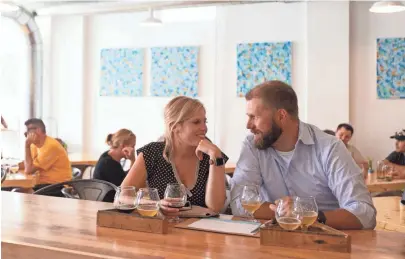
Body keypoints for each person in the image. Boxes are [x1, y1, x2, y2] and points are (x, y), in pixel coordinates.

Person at [230, 80, 376, 230]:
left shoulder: (330, 148)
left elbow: (365, 214)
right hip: (273, 242)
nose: (248, 125)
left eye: (254, 117)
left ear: (281, 116)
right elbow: (239, 203)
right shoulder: (253, 145)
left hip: (327, 243)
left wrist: (311, 215)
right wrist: (284, 212)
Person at [121, 96, 228, 214]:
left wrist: (216, 155)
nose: (204, 128)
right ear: (175, 126)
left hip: (201, 229)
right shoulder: (152, 153)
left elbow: (216, 207)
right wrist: (156, 203)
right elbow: (123, 197)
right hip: (161, 227)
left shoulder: (212, 156)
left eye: (204, 121)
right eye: (196, 122)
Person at [23, 118, 72, 193]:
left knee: (20, 192)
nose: (25, 133)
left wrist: (26, 146)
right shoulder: (34, 144)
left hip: (58, 187)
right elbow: (29, 163)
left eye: (28, 131)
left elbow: (28, 170)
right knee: (15, 190)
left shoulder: (50, 146)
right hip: (43, 184)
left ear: (38, 131)